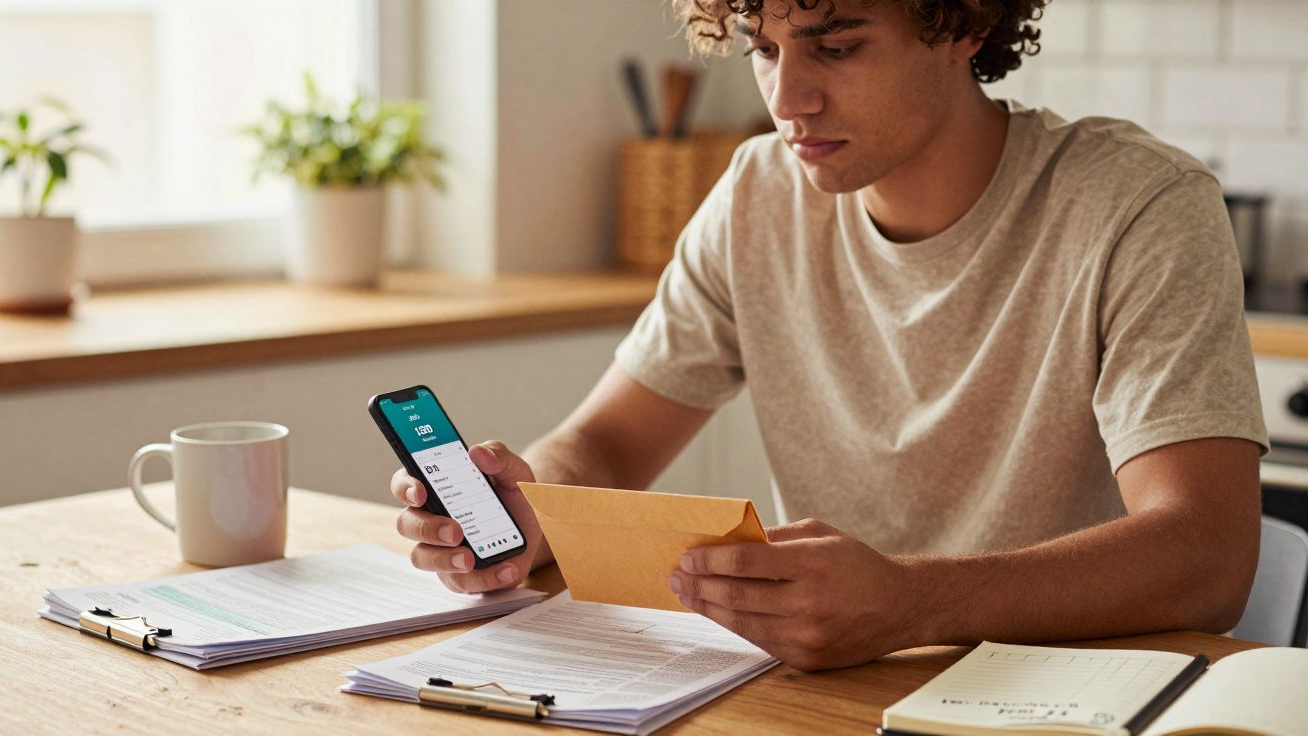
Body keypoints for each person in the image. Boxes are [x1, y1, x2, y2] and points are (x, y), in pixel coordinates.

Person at [390, 0, 1269, 671]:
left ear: (966, 24)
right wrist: (530, 503)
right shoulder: (758, 193)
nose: (787, 99)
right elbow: (608, 445)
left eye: (837, 47)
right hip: (836, 699)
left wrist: (914, 604)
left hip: (1071, 699)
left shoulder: (1139, 206)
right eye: (765, 50)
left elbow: (1207, 555)